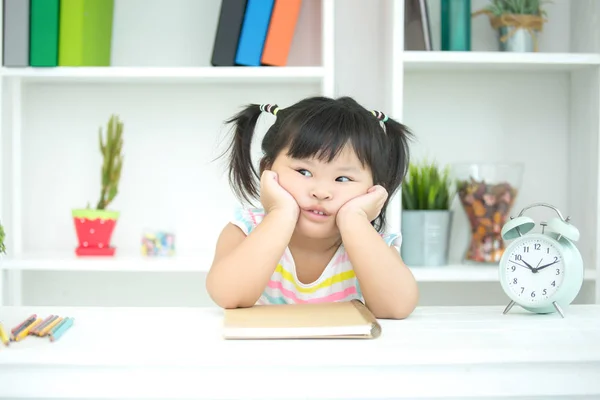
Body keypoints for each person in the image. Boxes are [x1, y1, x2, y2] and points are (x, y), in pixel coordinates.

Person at [206, 96, 419, 319]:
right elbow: (227, 295)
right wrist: (281, 213)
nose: (321, 192)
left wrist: (354, 219)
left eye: (343, 179)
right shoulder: (247, 229)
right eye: (304, 172)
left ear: (373, 189)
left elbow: (397, 308)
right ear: (267, 170)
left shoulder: (371, 243)